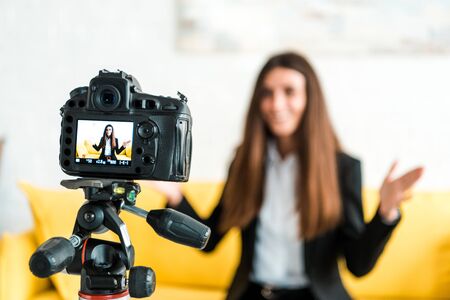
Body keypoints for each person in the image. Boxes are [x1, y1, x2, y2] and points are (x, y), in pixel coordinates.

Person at [150, 52, 424, 300]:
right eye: (267, 93)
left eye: (289, 92)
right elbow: (210, 239)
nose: (276, 104)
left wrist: (386, 213)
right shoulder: (244, 162)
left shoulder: (343, 168)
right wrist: (175, 195)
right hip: (254, 294)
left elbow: (358, 264)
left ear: (309, 99)